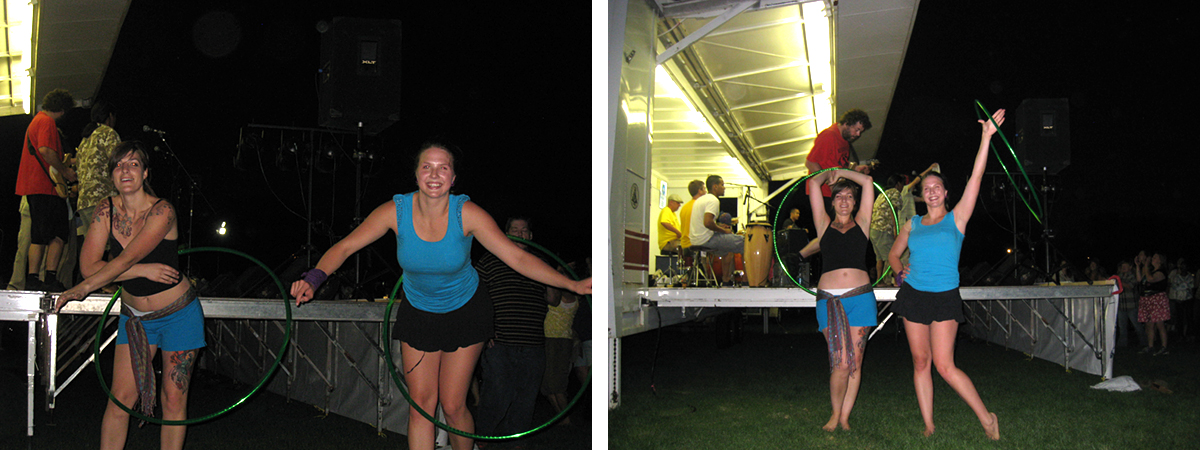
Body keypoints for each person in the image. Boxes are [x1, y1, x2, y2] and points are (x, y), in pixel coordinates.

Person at [289, 141, 590, 450]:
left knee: (453, 404)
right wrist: (313, 278)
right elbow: (346, 246)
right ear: (416, 174)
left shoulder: (467, 213)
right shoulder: (395, 211)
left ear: (453, 178)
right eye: (427, 167)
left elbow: (518, 258)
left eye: (443, 168)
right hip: (419, 312)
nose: (434, 174)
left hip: (465, 311)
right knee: (421, 405)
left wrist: (573, 285)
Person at [54, 141, 199, 450]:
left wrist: (84, 288)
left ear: (145, 173)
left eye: (133, 164)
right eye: (118, 165)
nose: (125, 170)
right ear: (111, 175)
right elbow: (88, 266)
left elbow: (124, 259)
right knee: (120, 399)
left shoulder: (162, 210)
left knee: (173, 398)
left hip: (178, 314)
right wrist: (144, 271)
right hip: (135, 318)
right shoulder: (105, 209)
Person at [887, 109, 1004, 440]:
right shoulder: (912, 224)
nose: (932, 191)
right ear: (921, 195)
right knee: (920, 362)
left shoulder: (957, 219)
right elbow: (893, 254)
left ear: (946, 193)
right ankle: (928, 424)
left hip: (944, 297)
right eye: (927, 188)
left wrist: (985, 138)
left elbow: (976, 179)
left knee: (944, 365)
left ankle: (987, 418)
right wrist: (899, 272)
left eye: (937, 186)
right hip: (913, 295)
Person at [805, 168, 876, 431]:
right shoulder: (823, 225)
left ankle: (844, 417)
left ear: (855, 203)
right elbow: (814, 183)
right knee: (841, 362)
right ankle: (835, 414)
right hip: (829, 300)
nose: (844, 200)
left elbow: (867, 181)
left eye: (849, 196)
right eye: (838, 196)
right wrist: (829, 174)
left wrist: (843, 172)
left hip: (861, 298)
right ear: (832, 202)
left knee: (855, 362)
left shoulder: (863, 223)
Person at [473, 217, 556, 437]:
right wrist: (485, 329)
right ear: (505, 234)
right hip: (500, 341)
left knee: (526, 396)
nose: (520, 234)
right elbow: (475, 296)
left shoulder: (540, 261)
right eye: (515, 230)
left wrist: (550, 276)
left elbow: (554, 299)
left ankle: (516, 440)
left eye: (524, 230)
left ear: (531, 236)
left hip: (533, 342)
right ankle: (482, 435)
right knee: (497, 392)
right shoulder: (491, 260)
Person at [15, 88, 77, 292]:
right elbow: (45, 150)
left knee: (39, 235)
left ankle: (33, 278)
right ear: (62, 109)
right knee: (59, 234)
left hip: (34, 186)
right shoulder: (47, 122)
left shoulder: (36, 120)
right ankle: (50, 277)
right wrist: (65, 171)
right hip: (46, 186)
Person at [798, 109, 872, 259]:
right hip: (825, 194)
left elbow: (839, 166)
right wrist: (829, 185)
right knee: (833, 232)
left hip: (834, 193)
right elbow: (810, 162)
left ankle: (799, 257)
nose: (858, 134)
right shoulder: (829, 136)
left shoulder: (844, 141)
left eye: (860, 131)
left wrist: (855, 169)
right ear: (847, 123)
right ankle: (799, 256)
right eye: (857, 129)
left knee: (838, 231)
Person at [871, 164, 939, 285]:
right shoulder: (899, 191)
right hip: (885, 228)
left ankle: (879, 281)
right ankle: (895, 282)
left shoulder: (885, 194)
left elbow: (920, 199)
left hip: (874, 229)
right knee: (892, 256)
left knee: (880, 258)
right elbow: (893, 209)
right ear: (898, 184)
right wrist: (930, 168)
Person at [542, 265, 581, 425]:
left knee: (557, 384)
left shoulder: (567, 294)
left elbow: (555, 296)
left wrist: (552, 276)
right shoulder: (558, 292)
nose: (557, 274)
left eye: (561, 272)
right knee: (546, 385)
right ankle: (561, 417)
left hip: (560, 341)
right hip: (549, 339)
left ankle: (566, 418)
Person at [689, 175, 742, 284]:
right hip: (706, 240)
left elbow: (704, 223)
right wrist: (724, 230)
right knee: (744, 242)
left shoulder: (700, 200)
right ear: (715, 187)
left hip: (695, 240)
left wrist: (718, 226)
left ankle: (726, 281)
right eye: (722, 185)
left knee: (728, 251)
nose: (724, 187)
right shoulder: (713, 200)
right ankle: (748, 282)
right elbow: (707, 222)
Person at [1136, 251, 1169, 355]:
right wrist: (1138, 266)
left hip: (1157, 299)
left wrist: (1146, 265)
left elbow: (1151, 279)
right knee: (1149, 324)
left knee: (1160, 324)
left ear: (1160, 261)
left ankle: (1164, 347)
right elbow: (1140, 280)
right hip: (1147, 299)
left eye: (1155, 257)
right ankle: (1150, 346)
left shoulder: (1161, 272)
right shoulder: (1150, 271)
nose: (1152, 259)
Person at [1114, 260, 1145, 349]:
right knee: (1122, 326)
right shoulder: (1119, 276)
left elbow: (1130, 286)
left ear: (1130, 267)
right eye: (1122, 266)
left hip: (1131, 305)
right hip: (1121, 305)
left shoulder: (1133, 276)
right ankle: (1122, 344)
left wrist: (1118, 282)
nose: (1123, 267)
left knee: (1137, 325)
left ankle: (1144, 342)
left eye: (1125, 265)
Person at [1167, 258, 1193, 339]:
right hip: (1179, 300)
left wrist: (1181, 286)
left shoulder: (1190, 277)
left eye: (1185, 266)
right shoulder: (1176, 277)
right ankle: (1180, 335)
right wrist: (1184, 286)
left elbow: (1191, 286)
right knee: (1179, 318)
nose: (1183, 268)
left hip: (1188, 300)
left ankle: (1188, 334)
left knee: (1188, 318)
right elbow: (1174, 287)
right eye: (1182, 267)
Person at [678, 180, 705, 250]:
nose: (706, 192)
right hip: (695, 244)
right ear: (700, 191)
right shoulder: (699, 206)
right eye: (704, 189)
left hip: (685, 245)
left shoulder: (684, 207)